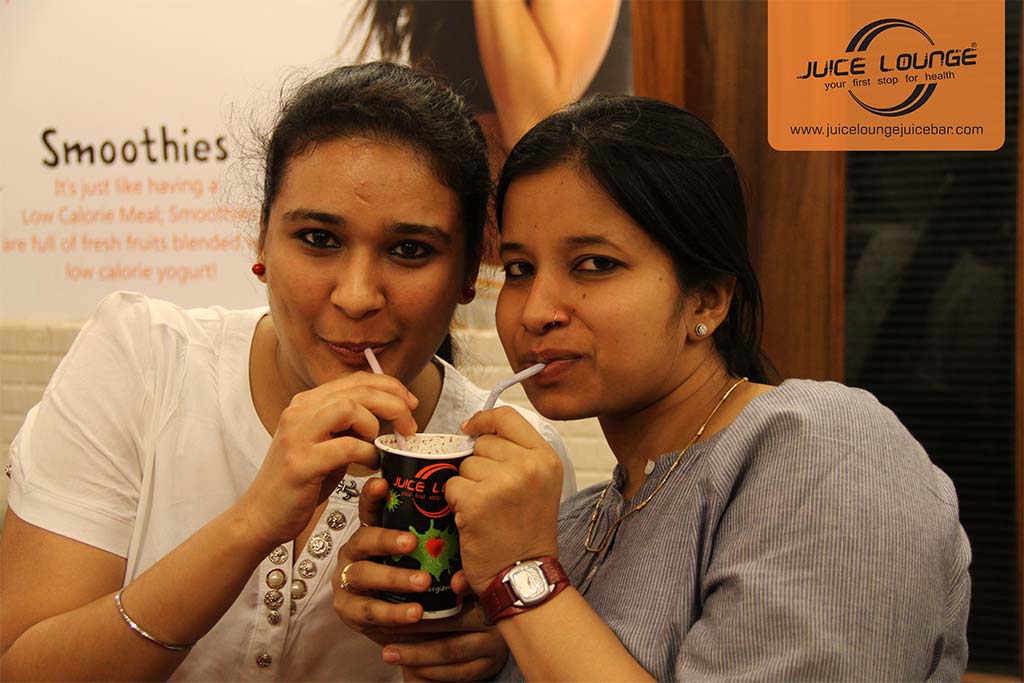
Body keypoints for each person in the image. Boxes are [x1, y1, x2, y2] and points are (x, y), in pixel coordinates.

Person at [335, 95, 971, 681]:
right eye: (521, 268)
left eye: (595, 264)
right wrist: (452, 642)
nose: (536, 311)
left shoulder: (826, 450)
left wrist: (520, 574)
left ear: (707, 299)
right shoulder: (573, 525)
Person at [0, 62, 575, 682]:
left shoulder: (515, 463)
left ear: (467, 274)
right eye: (319, 239)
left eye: (410, 250)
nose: (356, 296)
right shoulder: (144, 362)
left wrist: (488, 653)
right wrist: (251, 523)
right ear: (262, 241)